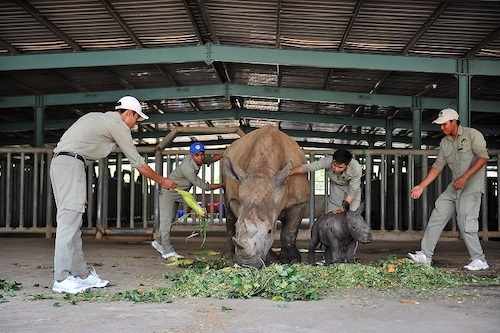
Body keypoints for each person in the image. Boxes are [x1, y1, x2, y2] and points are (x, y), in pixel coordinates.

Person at [50, 96, 177, 294]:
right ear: (129, 113)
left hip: (69, 165)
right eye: (136, 118)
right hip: (70, 165)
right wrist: (162, 180)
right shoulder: (117, 125)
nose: (135, 124)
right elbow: (138, 163)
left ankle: (81, 274)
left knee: (73, 223)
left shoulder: (101, 118)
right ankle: (62, 278)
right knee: (68, 222)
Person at [408, 108, 489, 271]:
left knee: (466, 222)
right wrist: (422, 185)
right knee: (438, 214)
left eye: (444, 124)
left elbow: (483, 158)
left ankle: (479, 260)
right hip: (454, 187)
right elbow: (438, 166)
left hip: (471, 186)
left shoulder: (473, 135)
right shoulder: (444, 143)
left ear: (454, 121)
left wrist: (465, 177)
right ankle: (425, 254)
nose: (441, 128)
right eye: (440, 125)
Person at [152, 142, 224, 259]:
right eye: (197, 155)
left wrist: (223, 154)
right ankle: (167, 251)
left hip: (181, 192)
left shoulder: (199, 159)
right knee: (166, 220)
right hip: (169, 193)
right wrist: (224, 184)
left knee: (172, 219)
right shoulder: (188, 169)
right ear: (191, 155)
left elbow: (210, 160)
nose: (200, 157)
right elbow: (205, 187)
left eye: (202, 154)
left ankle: (158, 241)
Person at [288, 148, 362, 214]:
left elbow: (353, 190)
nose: (336, 169)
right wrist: (290, 172)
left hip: (352, 192)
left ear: (348, 165)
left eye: (340, 167)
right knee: (332, 217)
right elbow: (309, 167)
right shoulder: (328, 161)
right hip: (336, 190)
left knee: (352, 217)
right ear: (333, 160)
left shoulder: (356, 168)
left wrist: (345, 205)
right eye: (334, 165)